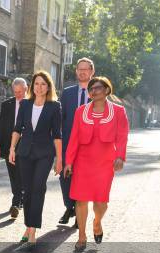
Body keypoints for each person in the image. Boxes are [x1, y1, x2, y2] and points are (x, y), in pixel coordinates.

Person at [64, 77, 128, 251]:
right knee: (81, 199)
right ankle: (82, 236)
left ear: (107, 90)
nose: (93, 91)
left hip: (105, 162)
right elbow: (74, 138)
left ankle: (97, 222)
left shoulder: (119, 111)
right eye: (91, 88)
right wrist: (69, 161)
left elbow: (122, 136)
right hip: (83, 161)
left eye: (98, 88)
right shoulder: (80, 111)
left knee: (101, 202)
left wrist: (120, 156)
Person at [8, 70, 62, 249]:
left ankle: (32, 230)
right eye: (36, 84)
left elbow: (57, 135)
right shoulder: (24, 104)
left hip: (45, 154)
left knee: (38, 188)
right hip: (25, 153)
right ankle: (29, 227)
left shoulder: (54, 106)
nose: (39, 87)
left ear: (48, 87)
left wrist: (59, 158)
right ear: (32, 86)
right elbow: (17, 128)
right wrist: (12, 149)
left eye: (43, 84)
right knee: (27, 190)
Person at [59, 57, 94, 227]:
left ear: (91, 72)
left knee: (82, 180)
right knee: (65, 178)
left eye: (85, 69)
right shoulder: (67, 93)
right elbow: (60, 119)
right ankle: (69, 206)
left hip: (88, 146)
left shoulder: (97, 93)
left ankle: (78, 215)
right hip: (67, 143)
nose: (82, 71)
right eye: (79, 69)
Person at [0, 77, 28, 218]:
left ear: (26, 89)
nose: (18, 94)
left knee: (22, 174)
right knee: (13, 175)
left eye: (20, 91)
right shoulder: (7, 104)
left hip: (26, 145)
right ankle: (18, 200)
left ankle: (16, 202)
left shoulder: (33, 103)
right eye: (15, 92)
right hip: (9, 145)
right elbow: (0, 125)